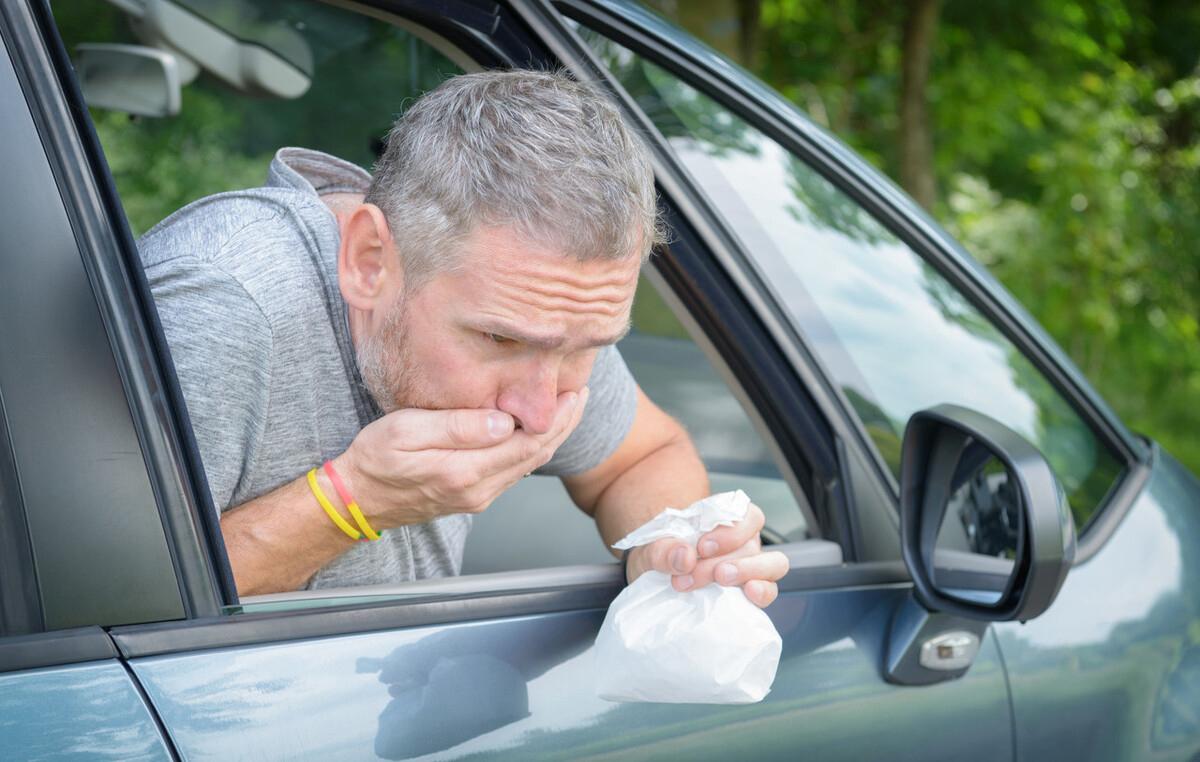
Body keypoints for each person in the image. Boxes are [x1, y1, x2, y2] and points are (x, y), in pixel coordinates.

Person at [138, 69, 789, 603]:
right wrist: (350, 503)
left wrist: (669, 548)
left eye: (587, 347)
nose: (538, 413)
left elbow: (642, 457)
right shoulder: (224, 305)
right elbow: (83, 618)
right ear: (370, 261)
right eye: (501, 341)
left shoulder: (544, 310)